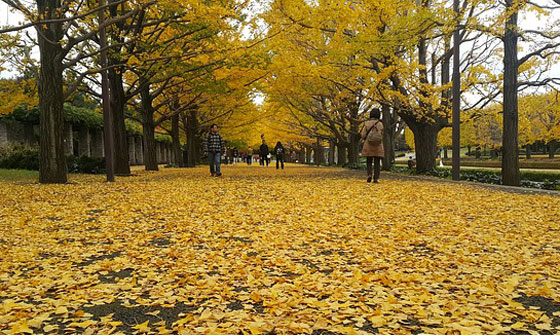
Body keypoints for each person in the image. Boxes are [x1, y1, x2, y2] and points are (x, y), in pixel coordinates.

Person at [360, 109, 384, 183]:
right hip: (378, 145)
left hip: (368, 145)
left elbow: (363, 135)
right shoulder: (380, 124)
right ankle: (376, 178)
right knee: (377, 162)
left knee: (369, 161)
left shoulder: (367, 123)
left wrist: (364, 138)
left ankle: (369, 175)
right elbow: (382, 134)